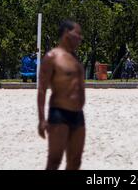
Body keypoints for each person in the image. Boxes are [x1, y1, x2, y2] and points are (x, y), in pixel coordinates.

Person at [37, 20, 85, 170]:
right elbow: (42, 89)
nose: (80, 38)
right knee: (54, 161)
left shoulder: (75, 58)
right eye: (77, 34)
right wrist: (42, 119)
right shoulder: (52, 57)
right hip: (59, 114)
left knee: (75, 161)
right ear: (66, 33)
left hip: (78, 114)